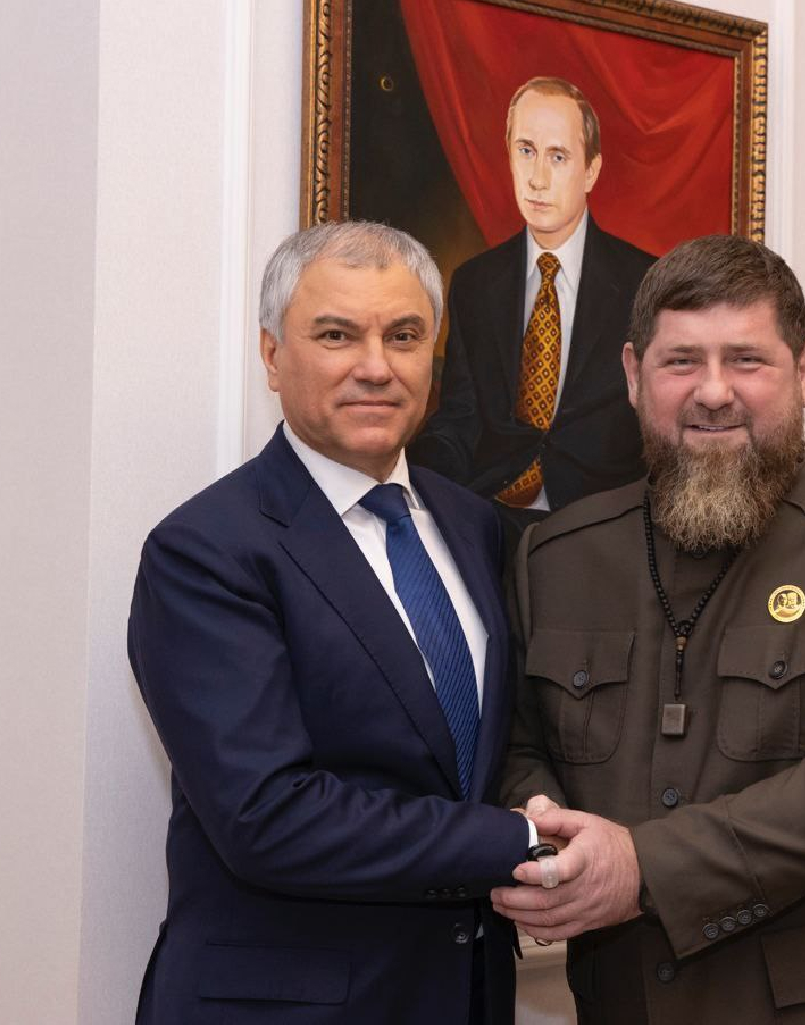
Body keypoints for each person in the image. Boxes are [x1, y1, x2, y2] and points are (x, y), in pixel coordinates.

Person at [491, 235, 805, 1023]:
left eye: (747, 360)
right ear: (633, 376)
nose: (714, 392)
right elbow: (520, 746)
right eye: (681, 361)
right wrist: (548, 834)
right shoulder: (554, 556)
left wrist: (642, 867)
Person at [127, 222, 553, 1024]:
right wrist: (521, 843)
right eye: (336, 335)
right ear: (271, 355)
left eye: (404, 336)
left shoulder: (475, 526)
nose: (376, 366)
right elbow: (269, 817)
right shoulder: (207, 551)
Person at [409, 76, 655, 524]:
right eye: (526, 151)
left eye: (558, 157)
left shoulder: (647, 282)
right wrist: (403, 477)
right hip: (491, 512)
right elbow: (460, 419)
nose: (537, 178)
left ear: (591, 171)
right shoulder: (474, 283)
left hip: (604, 523)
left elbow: (661, 426)